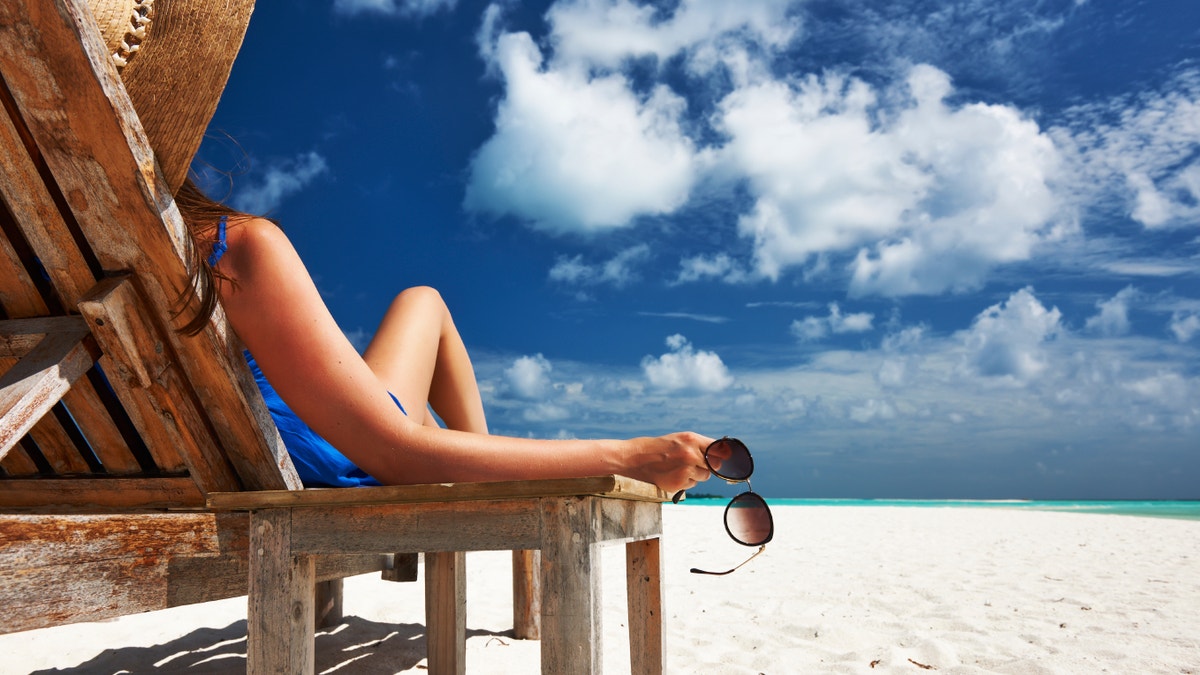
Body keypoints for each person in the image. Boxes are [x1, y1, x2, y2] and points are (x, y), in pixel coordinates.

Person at [86, 0, 714, 493]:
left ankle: (495, 468)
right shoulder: (233, 253)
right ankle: (503, 481)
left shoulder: (37, 274)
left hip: (181, 466)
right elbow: (398, 454)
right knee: (428, 303)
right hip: (332, 452)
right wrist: (632, 455)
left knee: (425, 299)